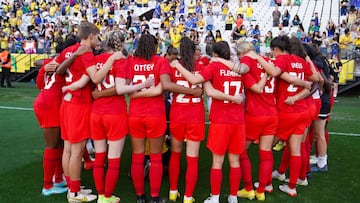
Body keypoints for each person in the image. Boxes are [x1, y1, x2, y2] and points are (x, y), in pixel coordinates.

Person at [172, 41, 246, 203]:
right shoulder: (238, 68)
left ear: (215, 54)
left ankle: (215, 197)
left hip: (220, 119)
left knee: (217, 162)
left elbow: (202, 85)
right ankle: (233, 196)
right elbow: (244, 69)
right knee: (234, 161)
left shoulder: (211, 67)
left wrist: (177, 66)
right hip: (238, 119)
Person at [53, 21, 108, 202]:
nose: (98, 41)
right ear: (91, 36)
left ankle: (72, 187)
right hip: (79, 103)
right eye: (97, 37)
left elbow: (57, 69)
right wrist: (111, 61)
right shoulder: (86, 53)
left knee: (68, 148)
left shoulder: (69, 50)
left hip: (67, 103)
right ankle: (74, 193)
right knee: (76, 150)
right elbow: (95, 77)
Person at [270, 36, 318, 197]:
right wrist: (300, 89)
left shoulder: (282, 60)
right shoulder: (301, 61)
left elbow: (275, 72)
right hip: (302, 110)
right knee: (296, 149)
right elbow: (313, 80)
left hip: (286, 111)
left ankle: (265, 184)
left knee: (265, 146)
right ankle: (292, 186)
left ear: (276, 48)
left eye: (272, 51)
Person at [125, 34, 170, 203]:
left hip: (136, 114)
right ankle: (155, 197)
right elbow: (161, 89)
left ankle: (140, 196)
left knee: (137, 156)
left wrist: (137, 94)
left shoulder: (131, 62)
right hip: (155, 113)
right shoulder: (161, 61)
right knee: (156, 156)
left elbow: (129, 90)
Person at [33, 38, 79, 197]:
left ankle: (58, 179)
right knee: (52, 145)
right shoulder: (66, 62)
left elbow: (39, 80)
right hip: (49, 105)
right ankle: (47, 185)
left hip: (49, 102)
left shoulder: (54, 61)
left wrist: (44, 66)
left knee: (59, 143)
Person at [162, 37, 205, 203]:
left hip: (178, 114)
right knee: (192, 157)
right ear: (194, 51)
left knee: (176, 154)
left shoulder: (172, 65)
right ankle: (188, 196)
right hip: (195, 115)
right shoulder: (201, 66)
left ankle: (173, 191)